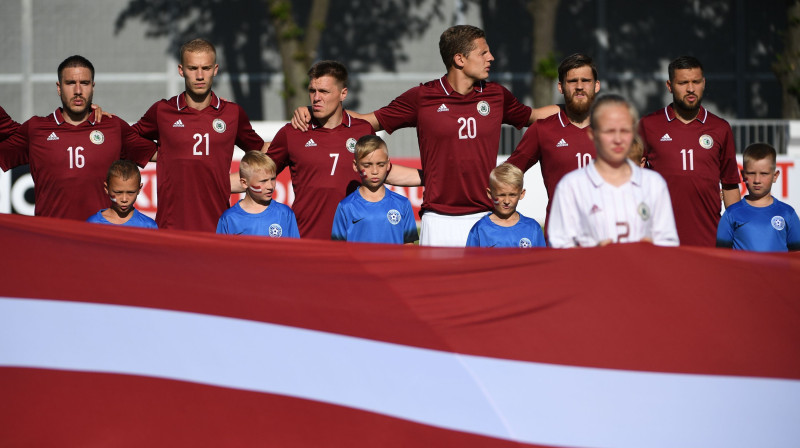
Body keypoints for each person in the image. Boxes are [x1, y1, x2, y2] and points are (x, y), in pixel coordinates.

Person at [293, 25, 559, 247]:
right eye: (484, 52)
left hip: (485, 217)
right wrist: (314, 111)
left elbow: (534, 116)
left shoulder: (496, 95)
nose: (491, 58)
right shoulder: (422, 97)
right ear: (460, 59)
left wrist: (577, 107)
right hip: (438, 220)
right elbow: (369, 121)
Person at [132, 38, 267, 231]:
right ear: (181, 70)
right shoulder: (162, 111)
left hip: (218, 227)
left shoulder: (232, 113)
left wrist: (305, 118)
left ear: (215, 69)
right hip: (171, 227)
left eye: (206, 68)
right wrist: (160, 153)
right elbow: (126, 140)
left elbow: (262, 152)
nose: (200, 75)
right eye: (193, 68)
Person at [0, 56, 157, 220]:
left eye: (84, 83)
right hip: (50, 239)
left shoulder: (113, 127)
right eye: (70, 83)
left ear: (93, 87)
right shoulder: (35, 129)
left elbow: (162, 154)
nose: (78, 91)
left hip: (100, 238)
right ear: (59, 88)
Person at [268, 61, 384, 240]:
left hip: (355, 239)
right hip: (306, 239)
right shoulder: (292, 132)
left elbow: (381, 174)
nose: (316, 98)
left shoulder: (363, 131)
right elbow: (258, 173)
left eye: (324, 92)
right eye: (312, 91)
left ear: (343, 93)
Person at [548, 94, 679, 248]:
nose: (618, 139)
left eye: (624, 130)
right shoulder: (570, 186)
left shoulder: (654, 184)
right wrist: (593, 255)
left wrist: (652, 250)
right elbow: (559, 248)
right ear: (592, 134)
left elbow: (669, 244)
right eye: (609, 131)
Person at [638, 56, 740, 247]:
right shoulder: (648, 125)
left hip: (708, 240)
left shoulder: (720, 128)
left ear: (704, 83)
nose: (691, 89)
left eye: (696, 82)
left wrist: (737, 235)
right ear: (670, 86)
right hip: (659, 241)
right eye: (683, 83)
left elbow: (730, 185)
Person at [506, 53, 600, 228]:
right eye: (572, 81)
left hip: (607, 237)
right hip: (561, 235)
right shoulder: (543, 130)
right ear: (560, 87)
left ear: (596, 86)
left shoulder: (615, 130)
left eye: (585, 80)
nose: (579, 87)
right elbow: (507, 175)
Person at [331, 135, 418, 244]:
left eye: (380, 165)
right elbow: (338, 250)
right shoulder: (346, 206)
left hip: (394, 262)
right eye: (367, 165)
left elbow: (409, 248)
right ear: (355, 165)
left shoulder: (403, 204)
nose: (375, 171)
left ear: (388, 164)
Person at [716, 143, 800, 251]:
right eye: (751, 173)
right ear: (743, 175)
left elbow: (797, 257)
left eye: (764, 173)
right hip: (742, 269)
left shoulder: (788, 213)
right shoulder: (731, 214)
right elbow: (721, 256)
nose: (757, 180)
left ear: (775, 176)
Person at [216, 151, 299, 238]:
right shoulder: (229, 219)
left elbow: (295, 250)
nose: (270, 186)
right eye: (263, 181)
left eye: (273, 179)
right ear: (244, 183)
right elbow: (221, 251)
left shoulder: (285, 213)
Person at [466, 163, 545, 248]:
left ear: (521, 194)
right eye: (501, 195)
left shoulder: (532, 228)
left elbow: (543, 259)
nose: (507, 201)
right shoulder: (480, 229)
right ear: (490, 194)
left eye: (512, 195)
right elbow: (470, 260)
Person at [87, 159, 157, 228]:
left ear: (139, 189)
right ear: (106, 188)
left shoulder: (148, 225)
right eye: (118, 192)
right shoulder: (93, 223)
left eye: (130, 192)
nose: (124, 199)